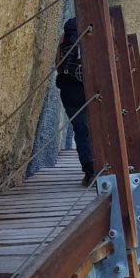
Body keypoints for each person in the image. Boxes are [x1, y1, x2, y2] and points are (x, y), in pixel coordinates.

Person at [55, 18, 94, 186]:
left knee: (81, 131)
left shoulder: (66, 36)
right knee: (96, 129)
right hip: (92, 90)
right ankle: (103, 167)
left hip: (70, 92)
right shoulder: (97, 36)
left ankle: (89, 172)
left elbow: (58, 64)